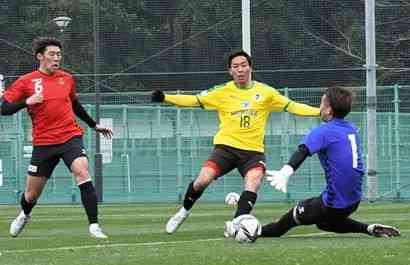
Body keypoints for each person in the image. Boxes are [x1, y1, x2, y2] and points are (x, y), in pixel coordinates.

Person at [151, 50, 320, 235]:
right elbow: (195, 99)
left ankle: (236, 225)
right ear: (230, 71)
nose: (240, 69)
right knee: (203, 180)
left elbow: (292, 106)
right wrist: (165, 97)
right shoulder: (222, 92)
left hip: (253, 152)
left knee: (254, 181)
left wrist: (319, 112)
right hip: (226, 148)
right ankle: (183, 212)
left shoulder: (266, 93)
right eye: (235, 66)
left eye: (243, 65)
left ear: (250, 67)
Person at [1, 37, 113, 239]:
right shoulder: (26, 81)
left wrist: (93, 125)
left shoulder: (67, 78)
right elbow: (4, 108)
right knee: (31, 195)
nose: (57, 58)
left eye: (59, 54)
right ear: (40, 56)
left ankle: (94, 226)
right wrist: (26, 101)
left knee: (82, 170)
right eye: (52, 54)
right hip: (43, 144)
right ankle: (25, 214)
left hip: (70, 137)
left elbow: (75, 104)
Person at [260, 86, 400, 239]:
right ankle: (369, 229)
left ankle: (253, 232)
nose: (319, 108)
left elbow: (302, 151)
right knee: (326, 223)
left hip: (334, 202)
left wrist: (285, 172)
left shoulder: (324, 131)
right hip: (354, 200)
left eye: (321, 104)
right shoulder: (351, 129)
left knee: (289, 220)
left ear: (328, 110)